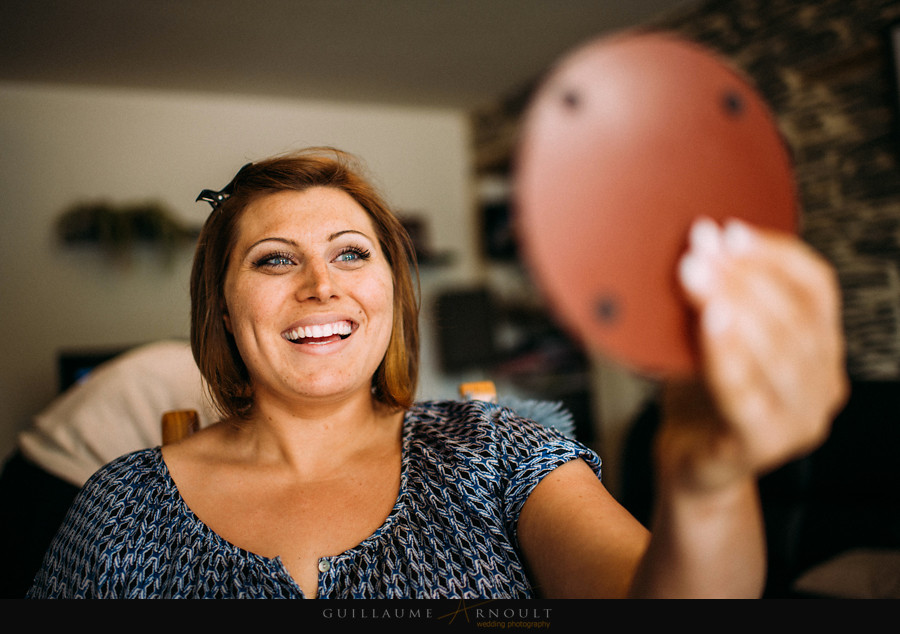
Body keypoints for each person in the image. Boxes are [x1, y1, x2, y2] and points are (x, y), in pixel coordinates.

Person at [27, 147, 847, 599]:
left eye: (352, 253)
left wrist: (703, 487)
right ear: (222, 306)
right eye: (275, 260)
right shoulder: (120, 506)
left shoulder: (501, 451)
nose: (321, 286)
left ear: (390, 292)